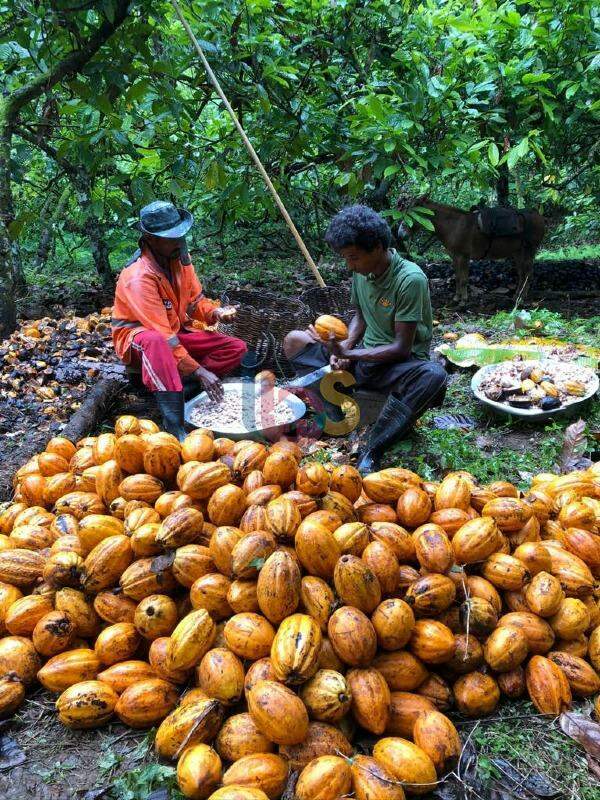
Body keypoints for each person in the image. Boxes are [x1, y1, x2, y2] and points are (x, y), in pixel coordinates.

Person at [284, 204, 447, 473]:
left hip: (396, 366)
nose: (350, 265)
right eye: (346, 258)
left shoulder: (410, 279)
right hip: (364, 358)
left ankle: (373, 447)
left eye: (354, 257)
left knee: (434, 376)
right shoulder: (363, 272)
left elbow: (400, 348)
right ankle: (332, 408)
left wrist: (350, 355)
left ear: (378, 248)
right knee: (295, 340)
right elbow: (360, 316)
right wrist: (343, 348)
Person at [112, 201, 247, 440]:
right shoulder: (138, 277)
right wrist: (200, 371)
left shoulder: (179, 258)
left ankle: (183, 389)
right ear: (150, 239)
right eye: (170, 238)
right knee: (155, 341)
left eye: (179, 235)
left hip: (173, 330)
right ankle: (173, 424)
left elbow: (196, 302)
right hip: (140, 340)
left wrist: (214, 312)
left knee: (236, 347)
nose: (179, 241)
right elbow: (164, 336)